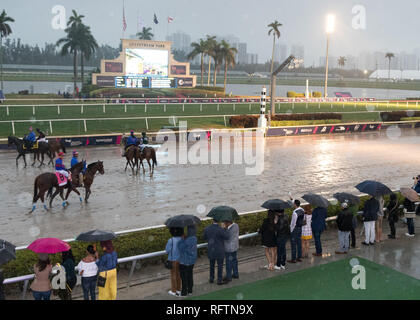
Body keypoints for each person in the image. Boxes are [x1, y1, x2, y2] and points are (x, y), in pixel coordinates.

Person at [203, 219, 230, 285]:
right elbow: (227, 237)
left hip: (211, 250)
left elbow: (204, 237)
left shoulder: (207, 228)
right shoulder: (220, 229)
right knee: (220, 266)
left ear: (212, 220)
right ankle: (219, 280)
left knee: (211, 265)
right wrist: (225, 228)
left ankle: (211, 279)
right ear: (219, 221)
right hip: (219, 250)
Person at [178, 226, 198, 297]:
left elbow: (180, 247)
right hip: (192, 261)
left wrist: (182, 239)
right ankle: (190, 290)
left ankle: (184, 292)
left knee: (183, 277)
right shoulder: (195, 238)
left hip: (184, 261)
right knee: (190, 275)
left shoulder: (186, 240)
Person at [165, 227, 183, 297]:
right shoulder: (182, 239)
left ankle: (174, 290)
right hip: (180, 260)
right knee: (179, 275)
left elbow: (167, 250)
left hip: (173, 260)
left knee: (173, 276)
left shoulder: (171, 240)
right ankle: (179, 289)